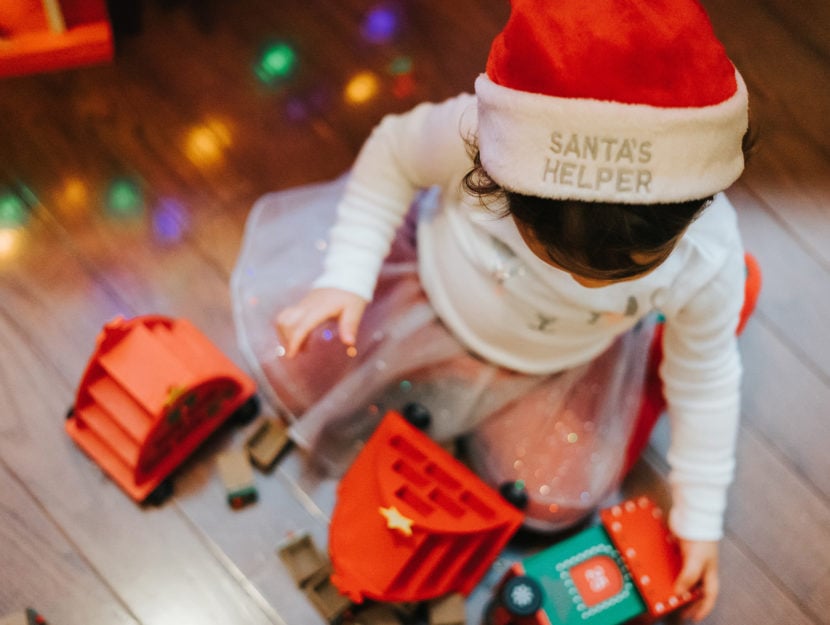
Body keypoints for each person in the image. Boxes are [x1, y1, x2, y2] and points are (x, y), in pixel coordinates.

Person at [231, 0, 757, 620]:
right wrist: (347, 277)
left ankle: (664, 358)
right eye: (559, 259)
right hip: (426, 293)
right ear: (496, 176)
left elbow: (708, 380)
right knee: (291, 360)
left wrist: (700, 517)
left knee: (553, 501)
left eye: (620, 272)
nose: (581, 284)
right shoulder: (479, 136)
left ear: (693, 209)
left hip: (551, 360)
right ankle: (445, 382)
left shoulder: (708, 252)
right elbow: (395, 152)